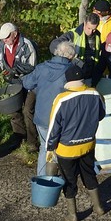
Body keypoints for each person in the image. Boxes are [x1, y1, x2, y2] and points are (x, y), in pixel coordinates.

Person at [44, 60, 107, 221]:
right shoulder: (95, 94)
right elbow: (101, 115)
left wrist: (50, 148)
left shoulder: (61, 99)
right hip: (88, 144)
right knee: (89, 175)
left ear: (67, 82)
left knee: (69, 181)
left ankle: (73, 216)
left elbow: (53, 128)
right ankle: (98, 207)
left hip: (67, 149)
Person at [22, 36, 77, 177]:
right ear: (70, 56)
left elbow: (27, 83)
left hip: (42, 117)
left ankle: (43, 178)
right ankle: (60, 177)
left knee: (44, 147)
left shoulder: (41, 68)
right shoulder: (71, 72)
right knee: (62, 148)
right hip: (62, 118)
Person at [0, 22, 39, 150]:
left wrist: (15, 70)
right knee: (14, 110)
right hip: (14, 82)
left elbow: (32, 65)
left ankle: (32, 141)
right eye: (3, 38)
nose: (4, 40)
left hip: (30, 82)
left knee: (28, 110)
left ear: (15, 34)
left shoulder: (27, 44)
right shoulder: (3, 45)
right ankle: (18, 136)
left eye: (6, 37)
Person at [70, 12, 105, 82]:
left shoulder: (98, 35)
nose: (91, 32)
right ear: (85, 23)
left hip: (92, 72)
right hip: (77, 73)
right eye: (89, 28)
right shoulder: (74, 33)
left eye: (94, 29)